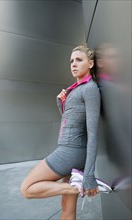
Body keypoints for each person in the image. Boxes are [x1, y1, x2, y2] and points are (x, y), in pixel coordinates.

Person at [21, 45, 101, 220]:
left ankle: (76, 186)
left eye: (79, 60)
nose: (73, 64)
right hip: (70, 148)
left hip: (71, 151)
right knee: (67, 208)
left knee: (27, 188)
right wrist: (61, 104)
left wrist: (88, 175)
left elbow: (93, 133)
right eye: (71, 61)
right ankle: (76, 185)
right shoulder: (74, 89)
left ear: (91, 63)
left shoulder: (90, 89)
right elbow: (69, 124)